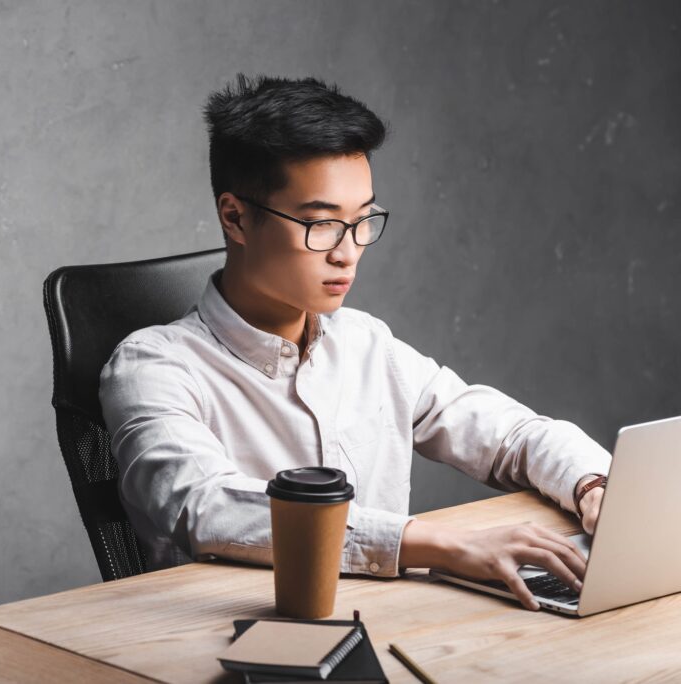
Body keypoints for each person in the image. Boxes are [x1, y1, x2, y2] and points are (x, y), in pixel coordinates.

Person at [98, 74, 611, 611]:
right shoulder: (151, 367)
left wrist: (592, 484)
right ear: (235, 217)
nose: (348, 252)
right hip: (235, 645)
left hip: (389, 628)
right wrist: (435, 545)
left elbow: (510, 435)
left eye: (363, 220)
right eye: (321, 224)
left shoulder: (366, 344)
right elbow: (204, 506)